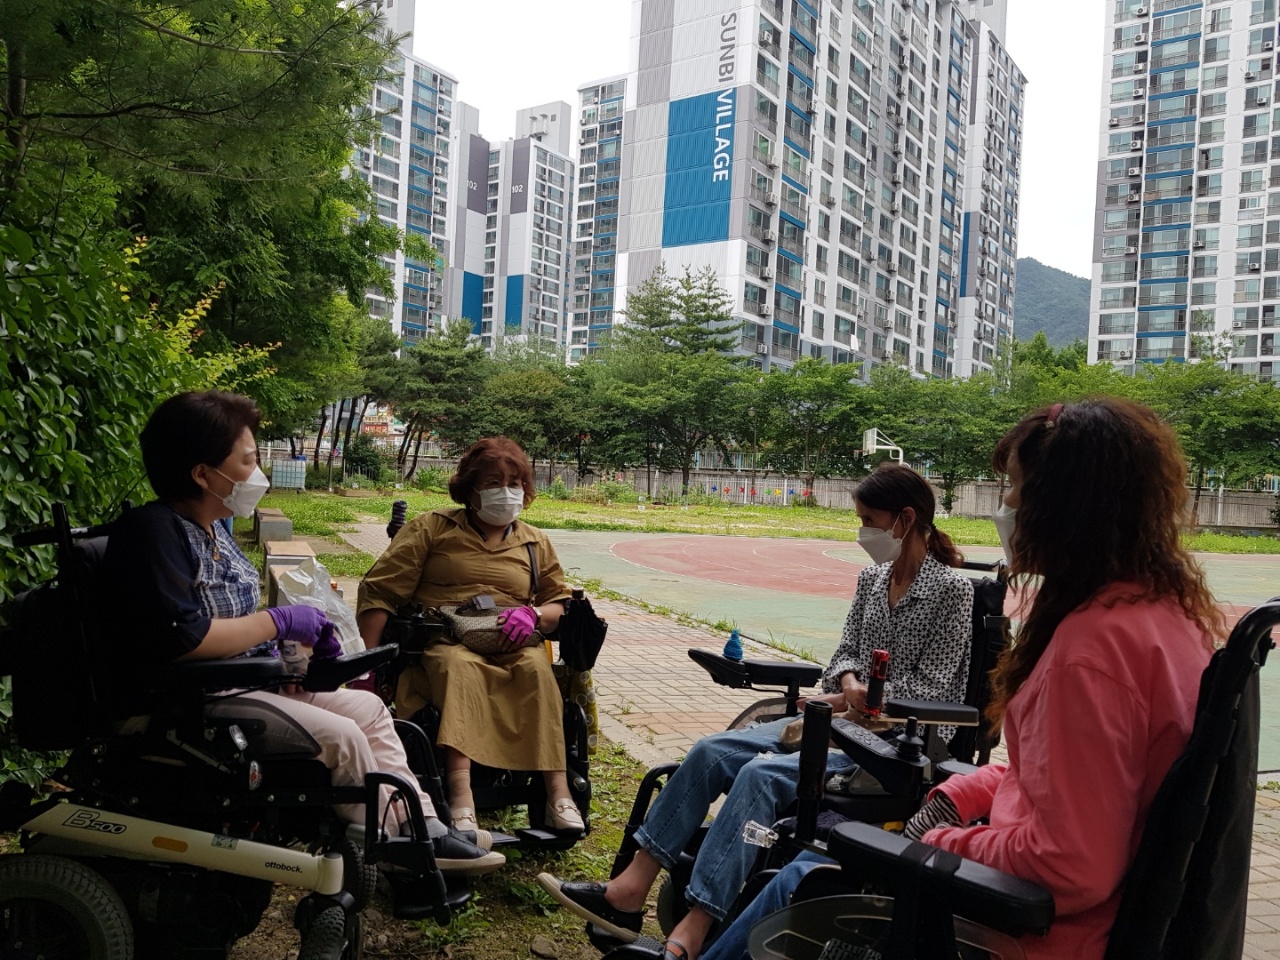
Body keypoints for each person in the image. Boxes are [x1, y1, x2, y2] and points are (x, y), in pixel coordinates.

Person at [539, 463, 974, 960]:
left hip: (892, 746)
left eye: (869, 521)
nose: (862, 532)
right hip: (837, 721)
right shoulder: (872, 579)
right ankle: (629, 888)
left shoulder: (952, 591)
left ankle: (694, 929)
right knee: (711, 751)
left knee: (760, 777)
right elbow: (843, 656)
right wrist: (849, 685)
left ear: (905, 519)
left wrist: (859, 698)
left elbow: (935, 688)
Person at [105, 390, 503, 876]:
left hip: (239, 682)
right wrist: (280, 622)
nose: (257, 472)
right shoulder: (153, 531)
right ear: (203, 474)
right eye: (247, 460)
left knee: (368, 709)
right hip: (187, 698)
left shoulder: (215, 529)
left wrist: (283, 658)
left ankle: (422, 824)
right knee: (342, 737)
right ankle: (389, 844)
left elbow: (226, 620)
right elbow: (181, 637)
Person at [895, 398, 1219, 959]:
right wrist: (965, 790)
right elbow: (1078, 779)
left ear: (1061, 505)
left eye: (1014, 486)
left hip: (1039, 939)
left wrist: (940, 843)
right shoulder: (1165, 619)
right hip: (1116, 927)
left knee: (805, 880)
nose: (1006, 504)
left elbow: (1067, 865)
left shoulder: (1089, 655)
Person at [356, 437, 583, 843]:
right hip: (445, 640)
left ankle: (558, 793)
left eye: (515, 482)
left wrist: (532, 614)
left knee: (536, 669)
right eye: (494, 482)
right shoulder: (432, 528)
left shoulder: (534, 542)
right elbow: (380, 591)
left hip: (512, 640)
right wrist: (367, 669)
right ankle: (462, 797)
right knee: (460, 668)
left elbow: (558, 603)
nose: (506, 491)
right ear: (470, 488)